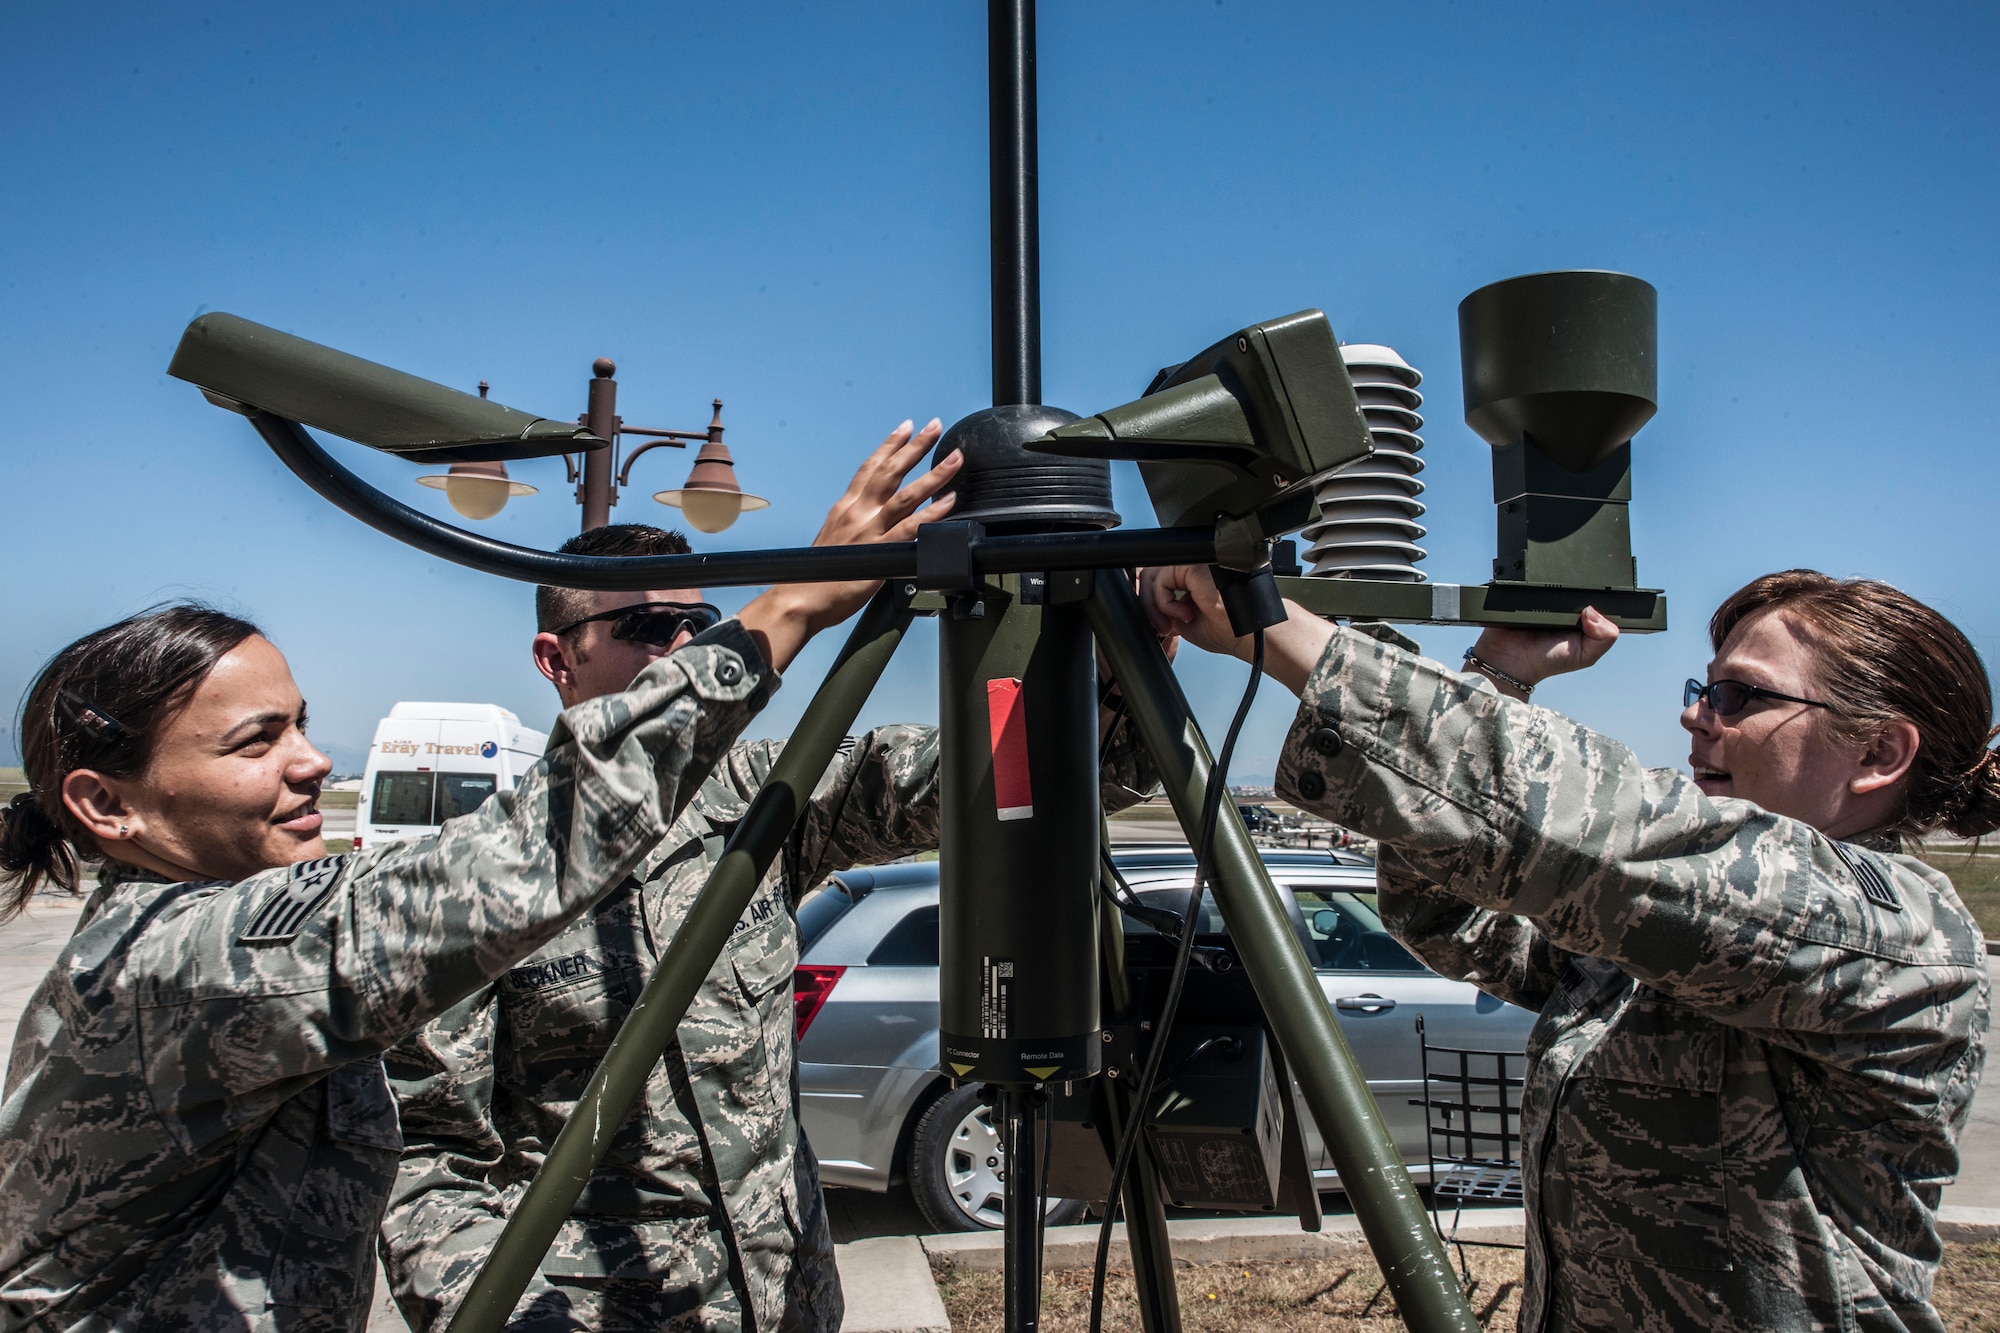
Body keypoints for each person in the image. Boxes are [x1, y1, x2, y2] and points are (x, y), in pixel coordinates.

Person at [0, 422, 960, 1332]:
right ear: (106, 804)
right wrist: (784, 608)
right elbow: (505, 901)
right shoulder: (167, 964)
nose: (313, 762)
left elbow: (984, 774)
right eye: (258, 741)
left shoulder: (749, 800)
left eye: (301, 723)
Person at [379, 432, 1162, 1333]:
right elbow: (430, 1157)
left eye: (698, 626)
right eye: (645, 629)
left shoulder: (756, 799)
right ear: (556, 660)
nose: (681, 647)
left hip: (781, 1298)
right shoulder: (477, 870)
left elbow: (989, 777)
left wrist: (1117, 659)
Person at [1142, 565, 1995, 1331]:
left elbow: (1606, 833)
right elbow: (1454, 914)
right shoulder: (1681, 933)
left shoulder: (1899, 935)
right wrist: (1501, 673)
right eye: (1706, 688)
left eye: (1740, 697)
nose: (1696, 714)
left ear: (1878, 751)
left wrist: (1279, 629)